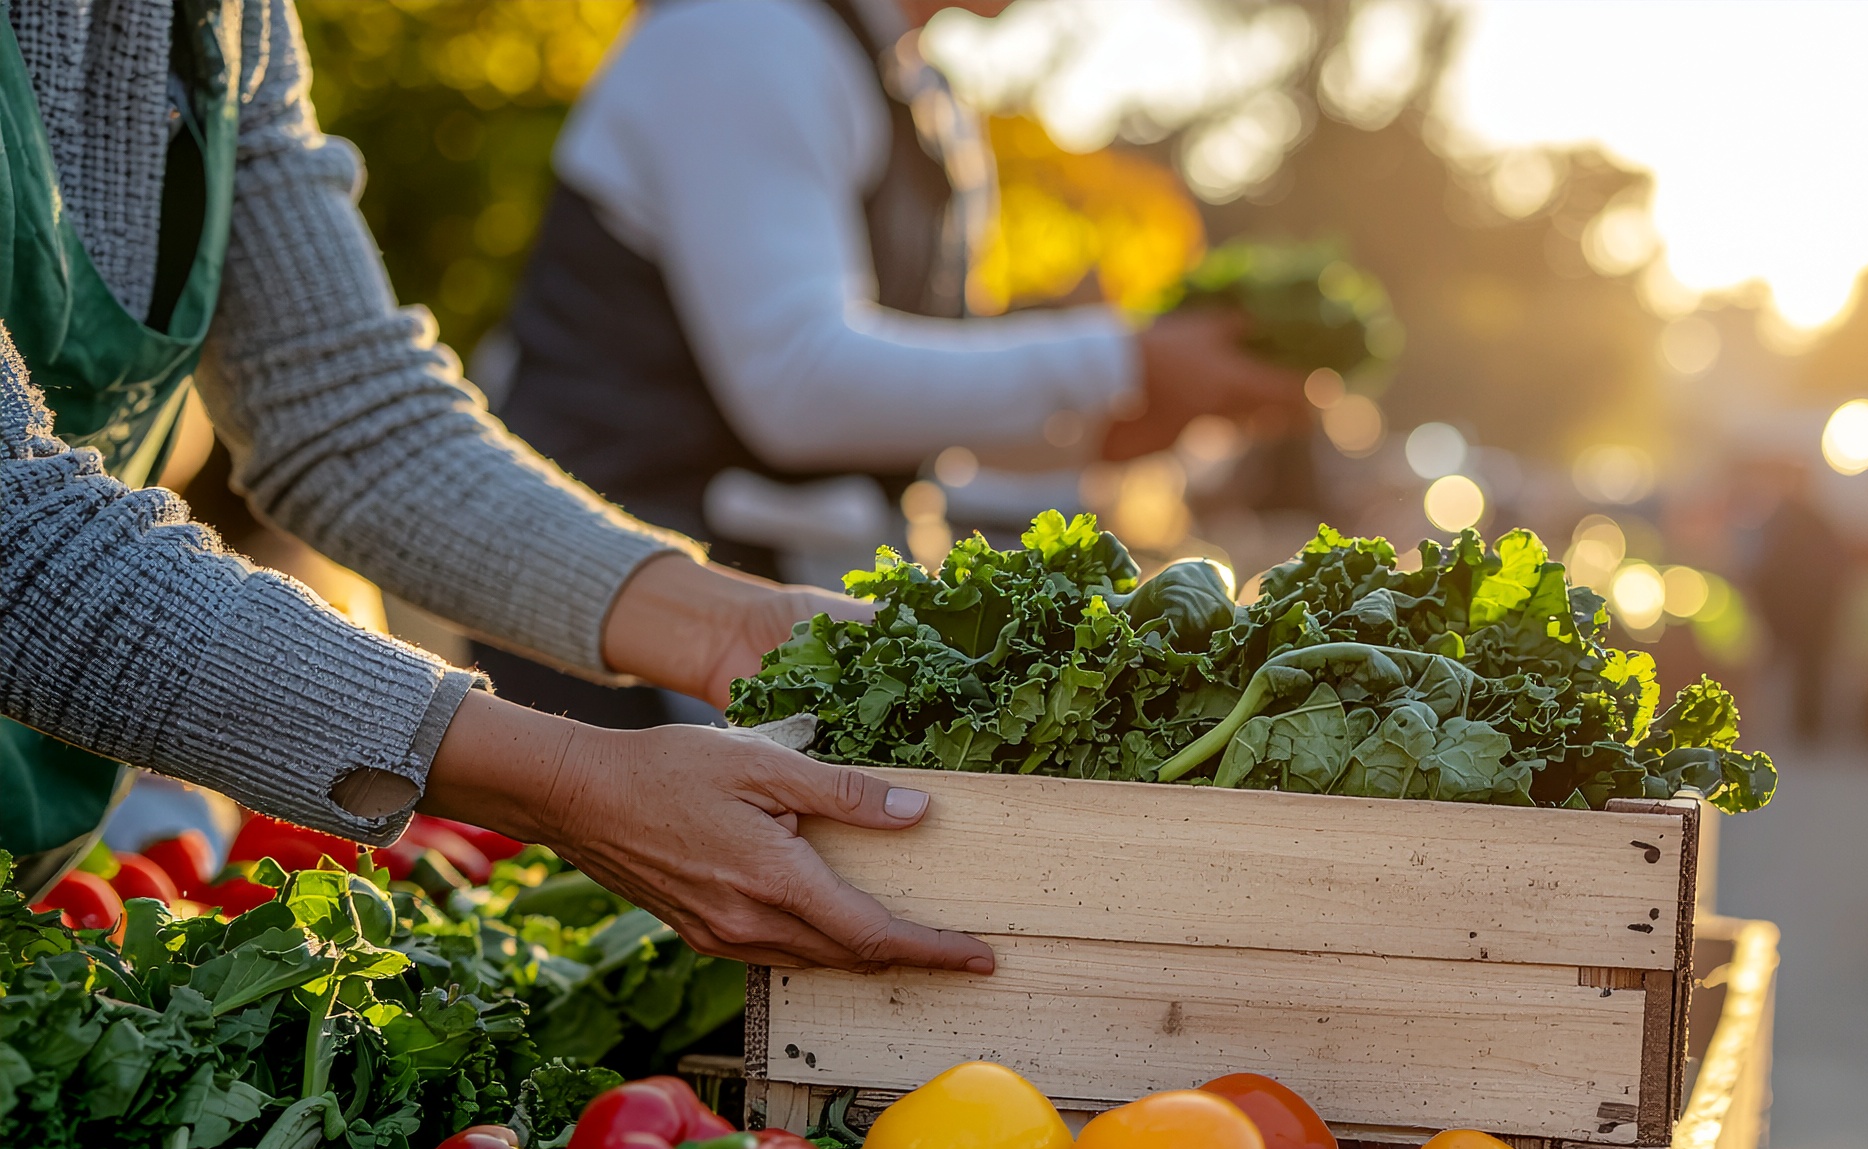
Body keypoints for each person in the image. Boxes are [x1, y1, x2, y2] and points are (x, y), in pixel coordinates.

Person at [0, 0, 988, 976]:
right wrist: (570, 784)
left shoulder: (232, 21)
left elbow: (353, 420)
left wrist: (733, 628)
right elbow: (14, 535)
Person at [482, 0, 1306, 728]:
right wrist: (1120, 360)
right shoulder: (742, 34)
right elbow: (795, 387)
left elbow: (900, 409)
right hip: (623, 647)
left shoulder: (916, 90)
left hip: (761, 634)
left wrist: (1108, 433)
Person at [1741, 458, 1851, 746]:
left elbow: (1767, 565)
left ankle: (1798, 728)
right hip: (1802, 610)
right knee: (1802, 671)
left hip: (1800, 610)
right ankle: (1802, 728)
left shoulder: (1788, 519)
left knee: (1792, 670)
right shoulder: (1807, 519)